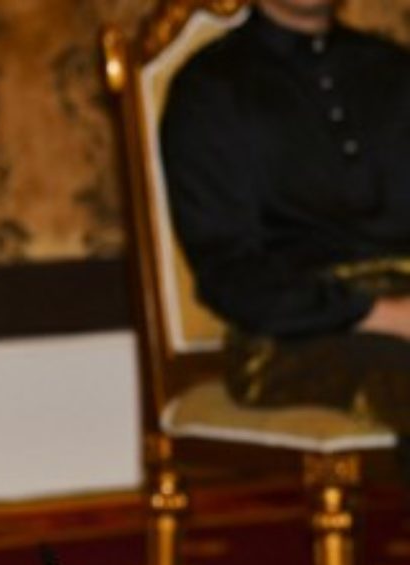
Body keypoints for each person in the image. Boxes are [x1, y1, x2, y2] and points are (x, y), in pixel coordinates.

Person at [160, 0, 410, 451]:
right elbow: (229, 271)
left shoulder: (394, 70)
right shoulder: (211, 89)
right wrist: (385, 315)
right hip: (290, 336)